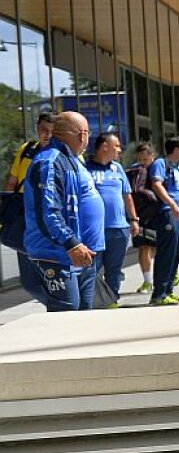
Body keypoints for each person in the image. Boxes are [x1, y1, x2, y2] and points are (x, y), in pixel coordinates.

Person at [22, 111, 104, 311]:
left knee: (83, 316)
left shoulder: (71, 160)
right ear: (82, 135)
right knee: (66, 317)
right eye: (88, 133)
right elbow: (48, 211)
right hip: (57, 254)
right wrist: (72, 244)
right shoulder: (50, 162)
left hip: (77, 254)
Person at [4, 112, 54, 304]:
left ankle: (60, 305)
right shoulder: (26, 149)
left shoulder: (64, 153)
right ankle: (55, 304)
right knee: (28, 280)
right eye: (43, 130)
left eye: (51, 131)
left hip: (49, 217)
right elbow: (12, 180)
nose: (47, 134)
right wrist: (7, 209)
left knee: (51, 271)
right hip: (24, 217)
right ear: (37, 129)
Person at [85, 130, 139, 304]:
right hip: (95, 230)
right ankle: (93, 302)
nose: (120, 150)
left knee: (114, 270)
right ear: (104, 147)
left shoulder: (118, 168)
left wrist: (134, 219)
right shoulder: (85, 169)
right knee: (92, 269)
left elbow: (127, 195)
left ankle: (112, 301)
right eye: (116, 146)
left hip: (119, 229)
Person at [146, 136, 179, 306]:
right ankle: (159, 293)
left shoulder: (177, 168)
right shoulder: (161, 164)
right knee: (166, 253)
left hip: (178, 214)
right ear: (176, 149)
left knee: (175, 253)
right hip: (167, 213)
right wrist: (171, 204)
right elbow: (157, 184)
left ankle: (168, 290)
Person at [128, 142, 157, 294]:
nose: (143, 163)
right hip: (140, 214)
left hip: (154, 214)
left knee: (157, 247)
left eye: (146, 160)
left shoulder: (157, 169)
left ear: (153, 156)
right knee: (144, 247)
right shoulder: (134, 171)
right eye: (140, 160)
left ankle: (161, 279)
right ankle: (148, 281)